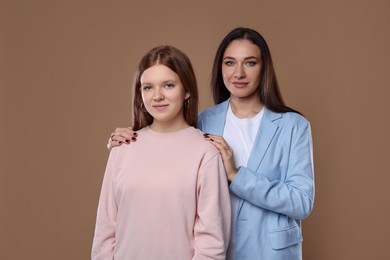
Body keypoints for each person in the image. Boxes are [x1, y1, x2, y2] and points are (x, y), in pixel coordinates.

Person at [108, 27, 315, 260]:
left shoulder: (293, 125)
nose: (238, 73)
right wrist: (126, 141)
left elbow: (301, 201)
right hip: (217, 250)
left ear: (264, 68)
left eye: (249, 63)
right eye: (229, 63)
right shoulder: (204, 120)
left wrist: (236, 176)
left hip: (270, 252)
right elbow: (167, 153)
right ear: (220, 68)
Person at [91, 45, 231, 260]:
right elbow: (105, 228)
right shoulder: (123, 148)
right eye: (148, 87)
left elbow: (211, 241)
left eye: (168, 85)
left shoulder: (205, 152)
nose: (157, 96)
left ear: (187, 91)